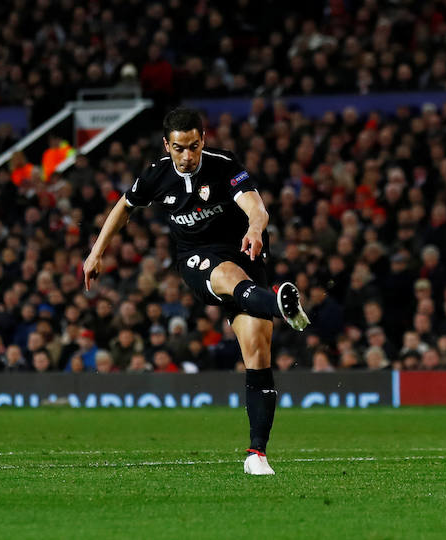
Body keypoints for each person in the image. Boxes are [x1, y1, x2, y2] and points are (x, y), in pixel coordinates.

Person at [83, 107, 310, 476]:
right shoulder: (156, 175)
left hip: (245, 252)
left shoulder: (223, 165)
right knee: (224, 276)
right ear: (166, 145)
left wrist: (254, 229)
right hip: (197, 260)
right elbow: (124, 208)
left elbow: (256, 207)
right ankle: (280, 304)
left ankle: (257, 454)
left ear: (203, 140)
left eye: (193, 147)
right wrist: (96, 252)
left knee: (257, 349)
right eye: (178, 148)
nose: (186, 157)